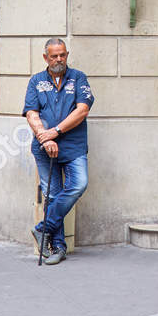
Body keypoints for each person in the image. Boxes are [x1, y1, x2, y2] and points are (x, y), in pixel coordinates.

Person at [24, 36, 94, 265]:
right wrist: (45, 138)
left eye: (62, 55)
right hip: (45, 148)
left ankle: (43, 228)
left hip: (73, 147)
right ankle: (58, 247)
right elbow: (31, 113)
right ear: (46, 57)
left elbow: (82, 110)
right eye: (54, 55)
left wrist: (55, 131)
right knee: (52, 195)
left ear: (67, 55)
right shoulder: (36, 81)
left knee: (79, 184)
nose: (59, 59)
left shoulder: (78, 78)